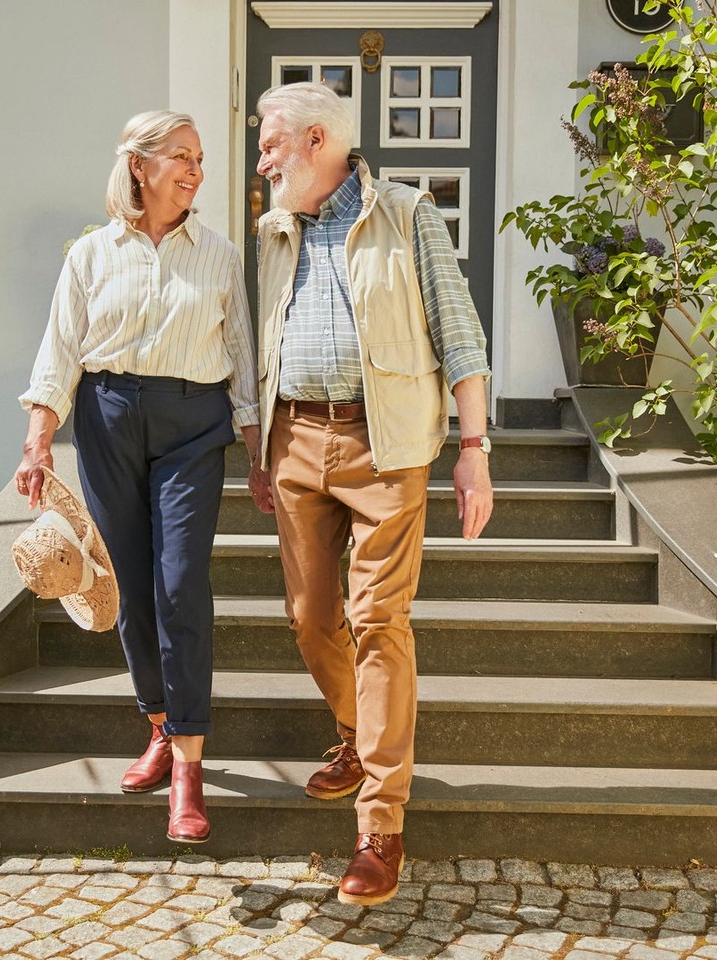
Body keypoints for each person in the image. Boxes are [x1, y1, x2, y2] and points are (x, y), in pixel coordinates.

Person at [248, 82, 494, 905]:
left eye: (270, 141)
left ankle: (380, 824)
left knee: (377, 620)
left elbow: (460, 333)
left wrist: (474, 449)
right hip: (295, 440)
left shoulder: (407, 213)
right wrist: (262, 446)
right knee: (311, 617)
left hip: (385, 445)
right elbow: (267, 334)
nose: (262, 157)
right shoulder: (273, 230)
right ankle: (357, 735)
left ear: (317, 140)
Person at [15, 109, 260, 845]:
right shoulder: (91, 255)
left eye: (199, 159)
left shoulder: (217, 255)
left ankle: (189, 767)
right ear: (140, 167)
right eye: (180, 156)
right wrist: (38, 443)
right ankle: (158, 725)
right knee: (124, 586)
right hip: (110, 416)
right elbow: (59, 353)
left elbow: (242, 354)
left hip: (194, 424)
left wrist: (258, 448)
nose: (195, 170)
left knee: (180, 582)